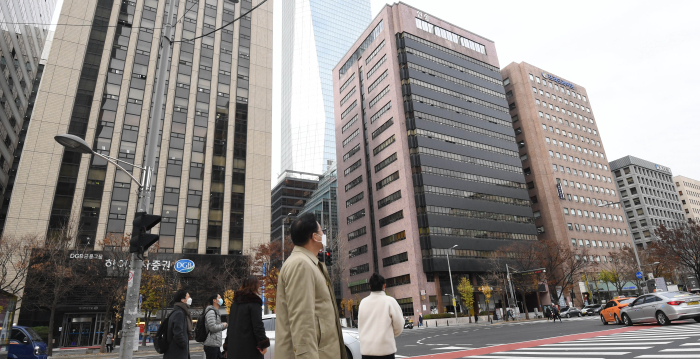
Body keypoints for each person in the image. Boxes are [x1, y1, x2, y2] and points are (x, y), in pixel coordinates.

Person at [275, 213, 347, 359]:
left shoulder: (310, 263)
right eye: (322, 232)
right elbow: (303, 323)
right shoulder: (301, 264)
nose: (324, 235)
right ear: (315, 236)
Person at [358, 273, 403, 359]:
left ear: (370, 287)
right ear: (384, 286)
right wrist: (389, 335)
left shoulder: (363, 302)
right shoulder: (390, 301)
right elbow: (399, 325)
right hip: (385, 350)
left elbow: (360, 325)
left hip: (367, 351)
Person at [227, 276, 270, 358]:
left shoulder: (235, 303)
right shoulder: (254, 302)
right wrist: (263, 344)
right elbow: (257, 325)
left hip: (234, 348)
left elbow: (230, 326)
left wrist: (227, 345)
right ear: (255, 285)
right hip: (250, 348)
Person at [164, 289, 194, 359]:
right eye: (188, 297)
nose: (190, 299)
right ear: (182, 300)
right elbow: (178, 333)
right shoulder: (179, 313)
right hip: (177, 353)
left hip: (175, 352)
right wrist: (184, 344)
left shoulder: (177, 312)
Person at [204, 294, 228, 359]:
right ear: (214, 300)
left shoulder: (216, 312)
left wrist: (222, 325)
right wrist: (223, 325)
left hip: (215, 344)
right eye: (219, 298)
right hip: (211, 345)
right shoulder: (211, 312)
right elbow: (212, 327)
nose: (221, 299)